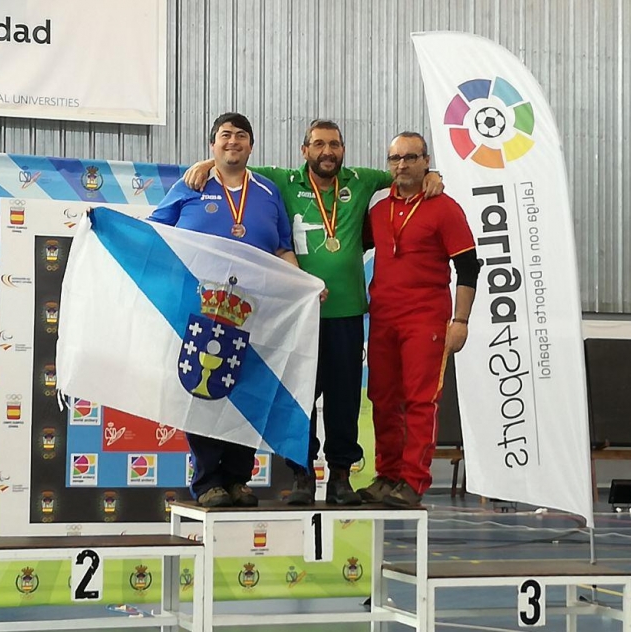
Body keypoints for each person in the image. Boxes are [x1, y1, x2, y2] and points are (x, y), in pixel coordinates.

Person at [183, 120, 443, 506]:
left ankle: (340, 476)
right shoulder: (281, 181)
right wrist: (207, 163)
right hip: (297, 315)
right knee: (299, 397)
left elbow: (403, 174)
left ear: (343, 150)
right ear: (304, 150)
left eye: (334, 145)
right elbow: (235, 164)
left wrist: (434, 173)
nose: (327, 151)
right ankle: (302, 476)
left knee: (343, 401)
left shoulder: (362, 180)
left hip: (348, 313)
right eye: (319, 144)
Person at [148, 112, 298, 508]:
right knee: (203, 389)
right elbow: (155, 232)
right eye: (225, 136)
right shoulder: (192, 184)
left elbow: (283, 247)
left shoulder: (267, 192)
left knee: (247, 390)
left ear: (251, 146)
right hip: (201, 312)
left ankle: (237, 478)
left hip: (255, 313)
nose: (233, 141)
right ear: (212, 144)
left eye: (241, 136)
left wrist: (305, 286)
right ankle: (208, 481)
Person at [358, 131, 480, 508]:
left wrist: (460, 321)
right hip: (383, 318)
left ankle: (413, 481)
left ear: (426, 161)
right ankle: (388, 474)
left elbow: (468, 268)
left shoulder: (445, 208)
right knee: (382, 397)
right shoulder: (378, 212)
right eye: (395, 159)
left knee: (421, 400)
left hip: (426, 319)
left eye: (411, 158)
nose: (402, 165)